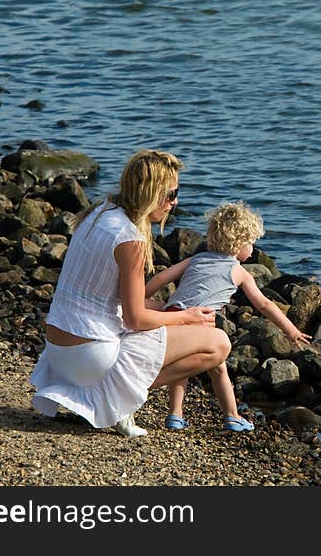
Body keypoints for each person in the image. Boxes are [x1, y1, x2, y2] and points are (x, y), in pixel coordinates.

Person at [29, 149, 231, 438]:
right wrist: (186, 317)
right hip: (90, 356)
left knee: (164, 314)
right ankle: (115, 402)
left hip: (59, 351)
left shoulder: (99, 212)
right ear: (153, 193)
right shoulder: (130, 239)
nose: (176, 202)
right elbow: (135, 319)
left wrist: (164, 310)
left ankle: (99, 398)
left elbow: (109, 299)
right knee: (218, 343)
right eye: (172, 194)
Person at [145, 201, 311, 432]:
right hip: (199, 324)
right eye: (251, 243)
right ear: (239, 244)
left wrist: (142, 298)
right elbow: (264, 304)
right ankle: (232, 415)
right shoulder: (238, 271)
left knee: (182, 367)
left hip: (174, 317)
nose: (253, 249)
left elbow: (161, 279)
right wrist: (291, 330)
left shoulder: (195, 259)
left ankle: (175, 414)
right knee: (218, 368)